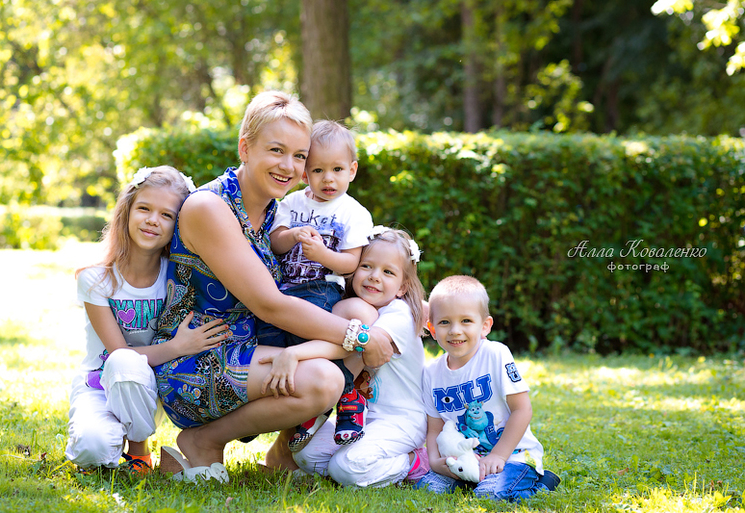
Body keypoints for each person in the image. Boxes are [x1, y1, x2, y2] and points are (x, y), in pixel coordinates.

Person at [151, 91, 395, 482]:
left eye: (299, 156)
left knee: (346, 321)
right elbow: (270, 304)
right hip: (197, 357)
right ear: (245, 148)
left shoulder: (274, 212)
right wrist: (361, 336)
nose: (288, 166)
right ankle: (202, 441)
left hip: (255, 344)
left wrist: (403, 305)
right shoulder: (210, 207)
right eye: (276, 150)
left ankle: (283, 453)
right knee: (324, 378)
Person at [65, 166, 229, 474]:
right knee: (91, 450)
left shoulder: (178, 276)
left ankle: (139, 451)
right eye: (144, 208)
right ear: (126, 212)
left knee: (128, 367)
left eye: (167, 215)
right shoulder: (96, 279)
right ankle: (111, 436)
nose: (153, 220)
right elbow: (118, 353)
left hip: (152, 387)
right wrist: (179, 346)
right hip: (100, 383)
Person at [269, 227, 429, 488]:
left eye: (388, 272)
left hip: (400, 419)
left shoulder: (399, 313)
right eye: (367, 266)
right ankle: (357, 464)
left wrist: (295, 353)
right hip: (361, 417)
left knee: (346, 468)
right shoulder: (353, 310)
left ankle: (413, 462)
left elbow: (355, 347)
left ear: (402, 287)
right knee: (306, 455)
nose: (374, 276)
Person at [257, 119, 374, 451]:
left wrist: (323, 254)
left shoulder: (353, 212)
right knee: (268, 339)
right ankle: (272, 405)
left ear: (352, 170)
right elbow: (276, 243)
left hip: (322, 289)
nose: (328, 179)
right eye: (318, 170)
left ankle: (344, 395)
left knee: (307, 341)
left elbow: (351, 263)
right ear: (305, 174)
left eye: (337, 169)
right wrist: (293, 235)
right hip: (283, 289)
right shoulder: (291, 203)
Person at [414, 275, 560, 500]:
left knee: (490, 494)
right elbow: (435, 428)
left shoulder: (495, 354)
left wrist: (499, 456)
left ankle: (543, 483)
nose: (455, 330)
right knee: (428, 488)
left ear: (485, 326)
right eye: (444, 322)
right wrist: (434, 461)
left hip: (511, 456)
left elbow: (522, 410)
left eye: (466, 321)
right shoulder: (431, 372)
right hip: (465, 459)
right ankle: (474, 480)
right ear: (432, 329)